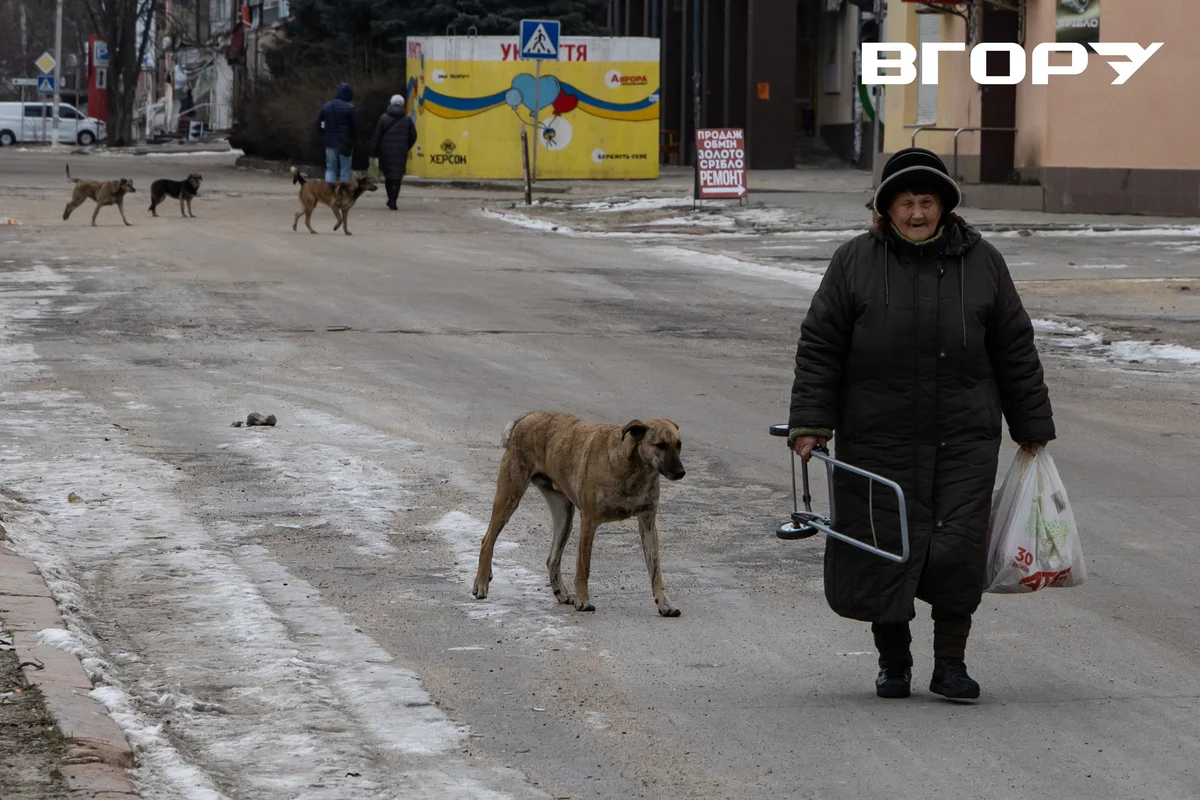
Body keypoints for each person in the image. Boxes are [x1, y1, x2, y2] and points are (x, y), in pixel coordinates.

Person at [787, 148, 1055, 701]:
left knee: (958, 547)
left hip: (964, 437)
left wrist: (1031, 424)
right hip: (877, 436)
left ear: (945, 207)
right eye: (906, 203)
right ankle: (894, 664)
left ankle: (951, 665)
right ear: (885, 208)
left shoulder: (984, 262)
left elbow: (1014, 348)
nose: (916, 214)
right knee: (885, 546)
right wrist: (811, 422)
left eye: (927, 202)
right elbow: (821, 347)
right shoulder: (854, 261)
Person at [370, 94, 418, 210]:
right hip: (401, 152)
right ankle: (393, 200)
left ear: (391, 103)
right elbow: (413, 136)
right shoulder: (407, 119)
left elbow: (377, 136)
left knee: (388, 177)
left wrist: (374, 151)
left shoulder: (384, 118)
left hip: (385, 152)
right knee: (397, 177)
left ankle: (390, 199)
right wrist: (406, 146)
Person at [316, 82, 359, 185]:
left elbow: (319, 124)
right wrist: (352, 139)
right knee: (345, 170)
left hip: (330, 142)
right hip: (345, 143)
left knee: (330, 168)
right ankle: (343, 191)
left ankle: (329, 190)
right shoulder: (351, 108)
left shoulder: (326, 107)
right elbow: (355, 127)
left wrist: (326, 134)